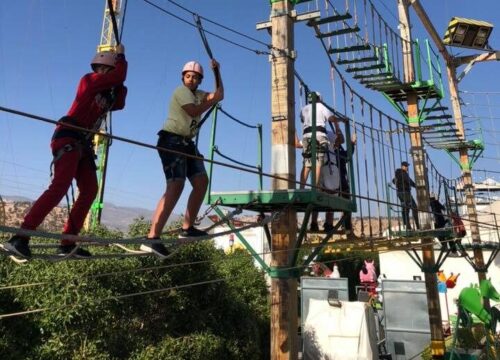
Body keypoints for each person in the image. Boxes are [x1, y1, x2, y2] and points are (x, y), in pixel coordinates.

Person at [4, 45, 128, 259]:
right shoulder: (89, 81)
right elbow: (119, 76)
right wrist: (122, 59)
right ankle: (21, 237)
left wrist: (120, 84)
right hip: (68, 135)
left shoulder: (106, 93)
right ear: (104, 69)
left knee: (90, 189)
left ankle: (68, 241)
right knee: (60, 186)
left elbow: (120, 103)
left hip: (83, 142)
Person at [141, 59, 223, 258]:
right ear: (183, 78)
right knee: (175, 185)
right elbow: (194, 111)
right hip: (171, 140)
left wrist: (217, 72)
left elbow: (220, 94)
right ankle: (153, 237)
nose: (191, 79)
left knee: (201, 181)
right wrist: (212, 100)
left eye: (195, 77)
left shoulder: (200, 95)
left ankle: (188, 228)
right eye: (188, 76)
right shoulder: (181, 91)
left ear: (199, 80)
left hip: (186, 143)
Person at [299, 92, 341, 193]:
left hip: (306, 136)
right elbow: (331, 118)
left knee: (307, 163)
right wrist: (337, 126)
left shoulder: (304, 109)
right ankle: (316, 187)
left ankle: (301, 188)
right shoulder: (321, 106)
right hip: (319, 135)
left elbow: (302, 119)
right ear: (319, 99)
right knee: (317, 162)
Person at [393, 161, 420, 230]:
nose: (407, 168)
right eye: (406, 166)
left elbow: (394, 181)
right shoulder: (403, 173)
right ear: (403, 166)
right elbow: (409, 181)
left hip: (399, 193)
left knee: (405, 209)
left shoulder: (397, 173)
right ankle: (418, 226)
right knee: (414, 208)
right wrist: (417, 186)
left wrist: (399, 185)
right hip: (406, 193)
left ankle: (408, 227)